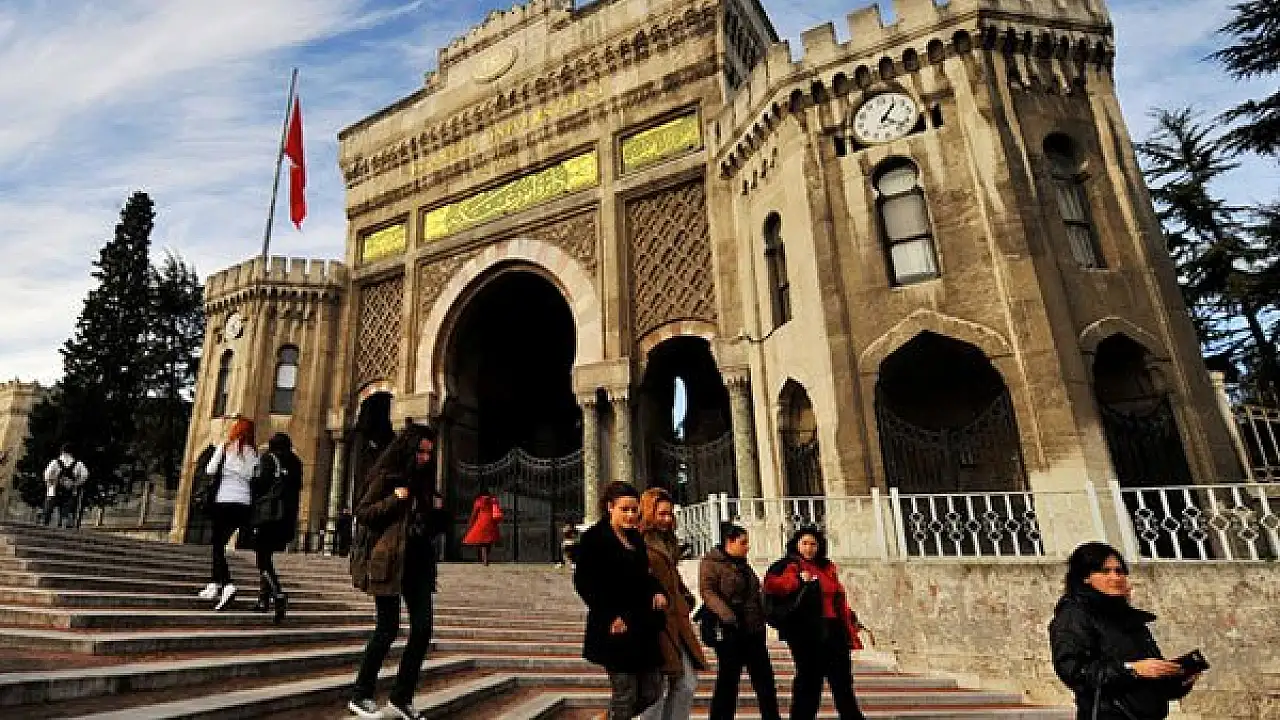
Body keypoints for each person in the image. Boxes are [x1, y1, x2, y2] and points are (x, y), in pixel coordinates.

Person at [348, 423, 449, 720]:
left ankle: (401, 698)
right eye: (420, 452)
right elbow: (363, 513)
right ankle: (361, 694)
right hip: (391, 561)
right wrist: (396, 499)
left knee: (423, 629)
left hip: (419, 562)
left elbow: (426, 526)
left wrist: (438, 513)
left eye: (429, 453)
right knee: (387, 629)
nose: (425, 458)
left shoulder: (425, 481)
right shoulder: (387, 476)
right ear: (408, 449)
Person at [1049, 542, 1200, 720]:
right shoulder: (1074, 615)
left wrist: (1179, 678)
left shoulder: (1127, 618)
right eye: (1105, 571)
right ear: (1085, 577)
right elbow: (1073, 671)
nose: (1115, 577)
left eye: (1119, 571)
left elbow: (1148, 680)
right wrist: (1132, 670)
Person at [574, 481, 666, 720]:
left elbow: (645, 575)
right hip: (615, 626)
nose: (631, 515)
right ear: (610, 507)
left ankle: (608, 717)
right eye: (625, 509)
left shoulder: (635, 538)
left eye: (634, 510)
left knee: (653, 691)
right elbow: (584, 583)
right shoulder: (594, 539)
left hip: (642, 624)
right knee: (625, 694)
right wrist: (609, 616)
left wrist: (657, 591)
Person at [762, 526, 867, 720]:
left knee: (842, 681)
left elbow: (836, 598)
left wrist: (851, 619)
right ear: (796, 544)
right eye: (805, 543)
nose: (809, 548)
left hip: (833, 629)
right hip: (806, 632)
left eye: (813, 544)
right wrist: (798, 580)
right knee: (809, 680)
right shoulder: (788, 565)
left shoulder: (826, 567)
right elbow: (772, 586)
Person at [699, 523, 782, 720]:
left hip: (753, 630)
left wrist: (766, 613)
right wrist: (727, 616)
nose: (747, 547)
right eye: (742, 543)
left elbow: (755, 594)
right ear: (729, 542)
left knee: (765, 682)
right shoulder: (712, 563)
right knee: (728, 682)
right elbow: (708, 592)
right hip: (729, 630)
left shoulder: (744, 565)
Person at [638, 488, 708, 720]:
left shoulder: (668, 543)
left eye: (669, 514)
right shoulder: (639, 543)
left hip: (677, 621)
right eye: (661, 514)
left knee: (686, 682)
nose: (667, 520)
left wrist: (686, 598)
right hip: (654, 622)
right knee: (655, 690)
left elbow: (673, 577)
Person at [199, 418, 258, 611]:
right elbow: (254, 477)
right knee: (220, 543)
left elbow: (210, 469)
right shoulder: (254, 454)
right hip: (243, 504)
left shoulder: (225, 448)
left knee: (217, 545)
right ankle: (214, 583)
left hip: (224, 501)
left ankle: (226, 584)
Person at [249, 432, 302, 624]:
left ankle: (277, 593)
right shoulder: (296, 462)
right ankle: (263, 599)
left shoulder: (269, 459)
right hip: (285, 518)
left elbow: (260, 483)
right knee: (266, 556)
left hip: (268, 517)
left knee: (262, 559)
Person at [42, 443, 88, 528]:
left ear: (62, 452)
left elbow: (47, 475)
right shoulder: (78, 464)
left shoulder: (55, 462)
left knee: (48, 511)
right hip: (70, 492)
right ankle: (63, 528)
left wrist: (51, 483)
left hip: (53, 491)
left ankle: (44, 527)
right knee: (65, 513)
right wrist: (75, 484)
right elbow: (85, 475)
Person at [461, 490, 501, 565]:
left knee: (482, 542)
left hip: (481, 522)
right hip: (491, 522)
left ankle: (484, 559)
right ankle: (485, 558)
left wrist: (470, 523)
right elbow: (497, 511)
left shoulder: (479, 501)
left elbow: (474, 513)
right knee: (489, 541)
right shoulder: (493, 500)